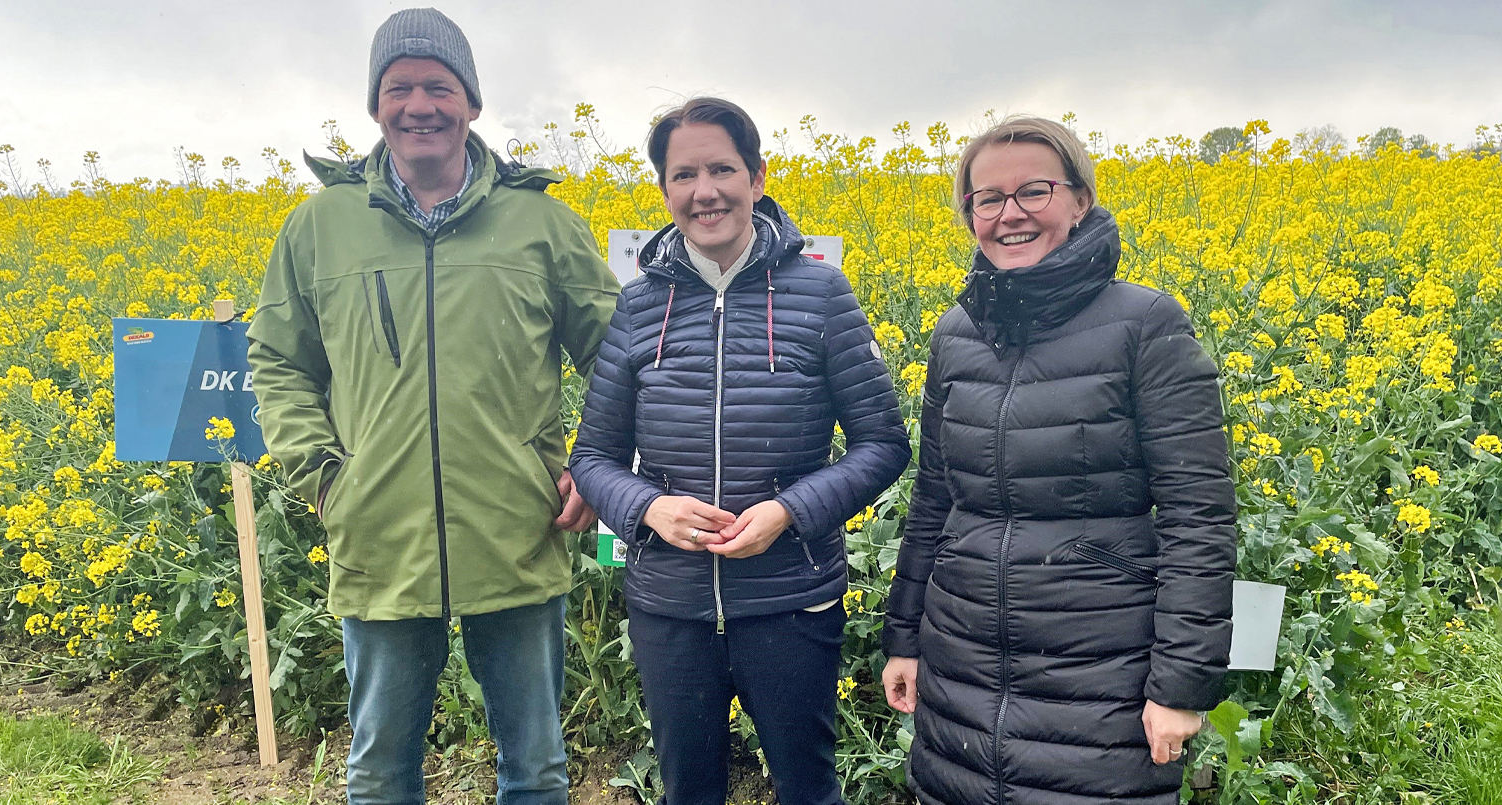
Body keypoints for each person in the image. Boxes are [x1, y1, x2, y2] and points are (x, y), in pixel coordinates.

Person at [246, 8, 620, 804]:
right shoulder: (318, 228)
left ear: (472, 103)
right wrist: (321, 474)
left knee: (537, 766)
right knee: (380, 769)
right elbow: (278, 360)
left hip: (519, 526)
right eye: (400, 87)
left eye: (439, 86)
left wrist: (597, 463)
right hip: (378, 531)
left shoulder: (542, 224)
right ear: (376, 106)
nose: (421, 104)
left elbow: (620, 355)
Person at [880, 116, 1237, 804]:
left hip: (1098, 673)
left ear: (1080, 201)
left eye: (1033, 191)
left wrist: (1180, 685)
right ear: (969, 215)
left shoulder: (1147, 325)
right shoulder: (955, 335)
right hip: (962, 666)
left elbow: (1200, 518)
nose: (1009, 214)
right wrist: (904, 637)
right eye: (988, 198)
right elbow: (933, 499)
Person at [569, 97, 910, 805]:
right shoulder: (636, 307)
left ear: (757, 177)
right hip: (670, 607)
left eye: (722, 168)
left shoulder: (821, 294)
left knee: (807, 789)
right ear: (664, 191)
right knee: (688, 791)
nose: (705, 191)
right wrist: (651, 507)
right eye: (684, 174)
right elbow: (593, 457)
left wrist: (788, 511)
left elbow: (882, 443)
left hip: (790, 601)